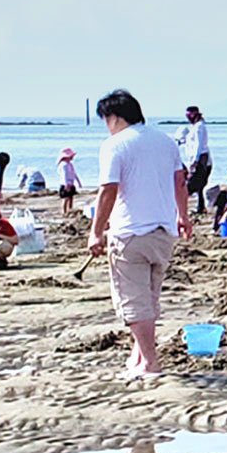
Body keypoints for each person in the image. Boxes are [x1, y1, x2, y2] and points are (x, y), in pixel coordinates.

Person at [86, 89, 191, 381]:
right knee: (149, 297)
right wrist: (183, 217)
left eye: (106, 119)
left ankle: (150, 362)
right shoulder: (165, 141)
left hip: (130, 232)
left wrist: (96, 231)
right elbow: (180, 182)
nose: (106, 125)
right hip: (163, 231)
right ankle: (138, 355)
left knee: (134, 301)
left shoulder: (114, 145)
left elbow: (108, 191)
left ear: (115, 117)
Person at [180, 106, 212, 212]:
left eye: (189, 115)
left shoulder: (199, 127)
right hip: (197, 160)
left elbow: (198, 145)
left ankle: (181, 208)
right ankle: (200, 207)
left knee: (190, 185)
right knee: (199, 186)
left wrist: (195, 160)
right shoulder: (194, 127)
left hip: (200, 161)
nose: (188, 117)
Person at [55, 146, 82, 216]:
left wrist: (78, 182)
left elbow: (74, 174)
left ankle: (70, 210)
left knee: (71, 197)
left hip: (71, 183)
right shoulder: (63, 165)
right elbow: (64, 175)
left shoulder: (70, 164)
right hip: (65, 184)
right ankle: (64, 211)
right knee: (65, 198)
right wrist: (66, 184)